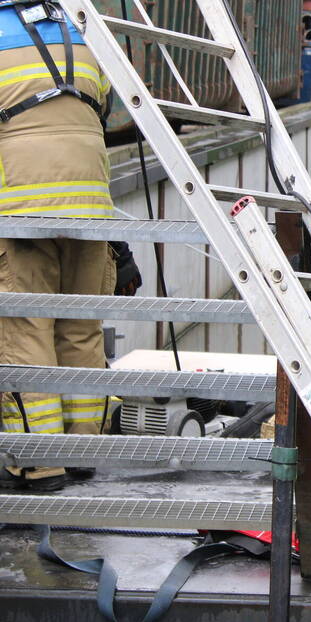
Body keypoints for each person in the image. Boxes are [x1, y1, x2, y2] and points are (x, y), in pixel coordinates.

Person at [0, 1, 115, 491]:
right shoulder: (78, 28)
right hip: (92, 201)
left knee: (27, 332)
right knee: (80, 328)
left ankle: (39, 464)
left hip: (21, 205)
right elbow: (105, 107)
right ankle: (82, 452)